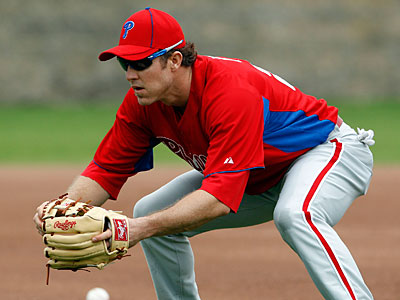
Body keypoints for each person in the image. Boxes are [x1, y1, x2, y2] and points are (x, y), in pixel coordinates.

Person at [33, 7, 376, 300]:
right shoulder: (142, 103)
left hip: (327, 152)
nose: (130, 74)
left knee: (295, 214)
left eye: (140, 62)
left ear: (174, 60)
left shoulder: (229, 92)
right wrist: (62, 208)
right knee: (149, 211)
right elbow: (104, 170)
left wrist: (137, 229)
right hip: (258, 174)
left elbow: (217, 200)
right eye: (124, 62)